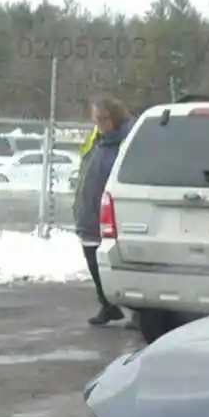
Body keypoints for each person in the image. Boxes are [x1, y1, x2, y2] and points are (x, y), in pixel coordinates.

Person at [74, 97, 133, 326]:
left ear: (114, 117)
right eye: (95, 119)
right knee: (93, 260)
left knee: (122, 262)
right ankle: (108, 305)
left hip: (114, 212)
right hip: (89, 209)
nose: (98, 123)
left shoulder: (128, 140)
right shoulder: (97, 139)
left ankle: (139, 310)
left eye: (102, 119)